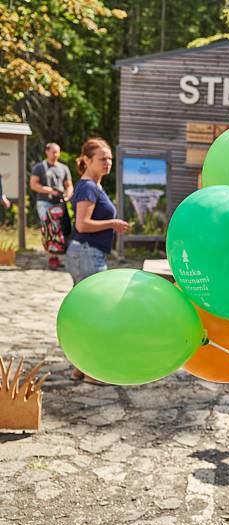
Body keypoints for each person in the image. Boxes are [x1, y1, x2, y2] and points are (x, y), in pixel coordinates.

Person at [66, 138, 130, 383]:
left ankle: (80, 367)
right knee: (94, 311)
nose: (108, 162)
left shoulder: (93, 185)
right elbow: (83, 224)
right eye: (102, 158)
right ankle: (92, 370)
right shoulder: (88, 187)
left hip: (88, 253)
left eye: (110, 158)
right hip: (87, 253)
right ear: (88, 160)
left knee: (84, 310)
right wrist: (113, 223)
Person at [30, 143, 73, 269]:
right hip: (45, 202)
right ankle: (52, 257)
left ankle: (58, 255)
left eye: (57, 152)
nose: (56, 154)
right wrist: (49, 190)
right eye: (53, 152)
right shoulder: (39, 167)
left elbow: (69, 185)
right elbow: (33, 184)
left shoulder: (63, 168)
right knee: (49, 229)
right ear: (47, 152)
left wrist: (67, 196)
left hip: (59, 202)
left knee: (61, 229)